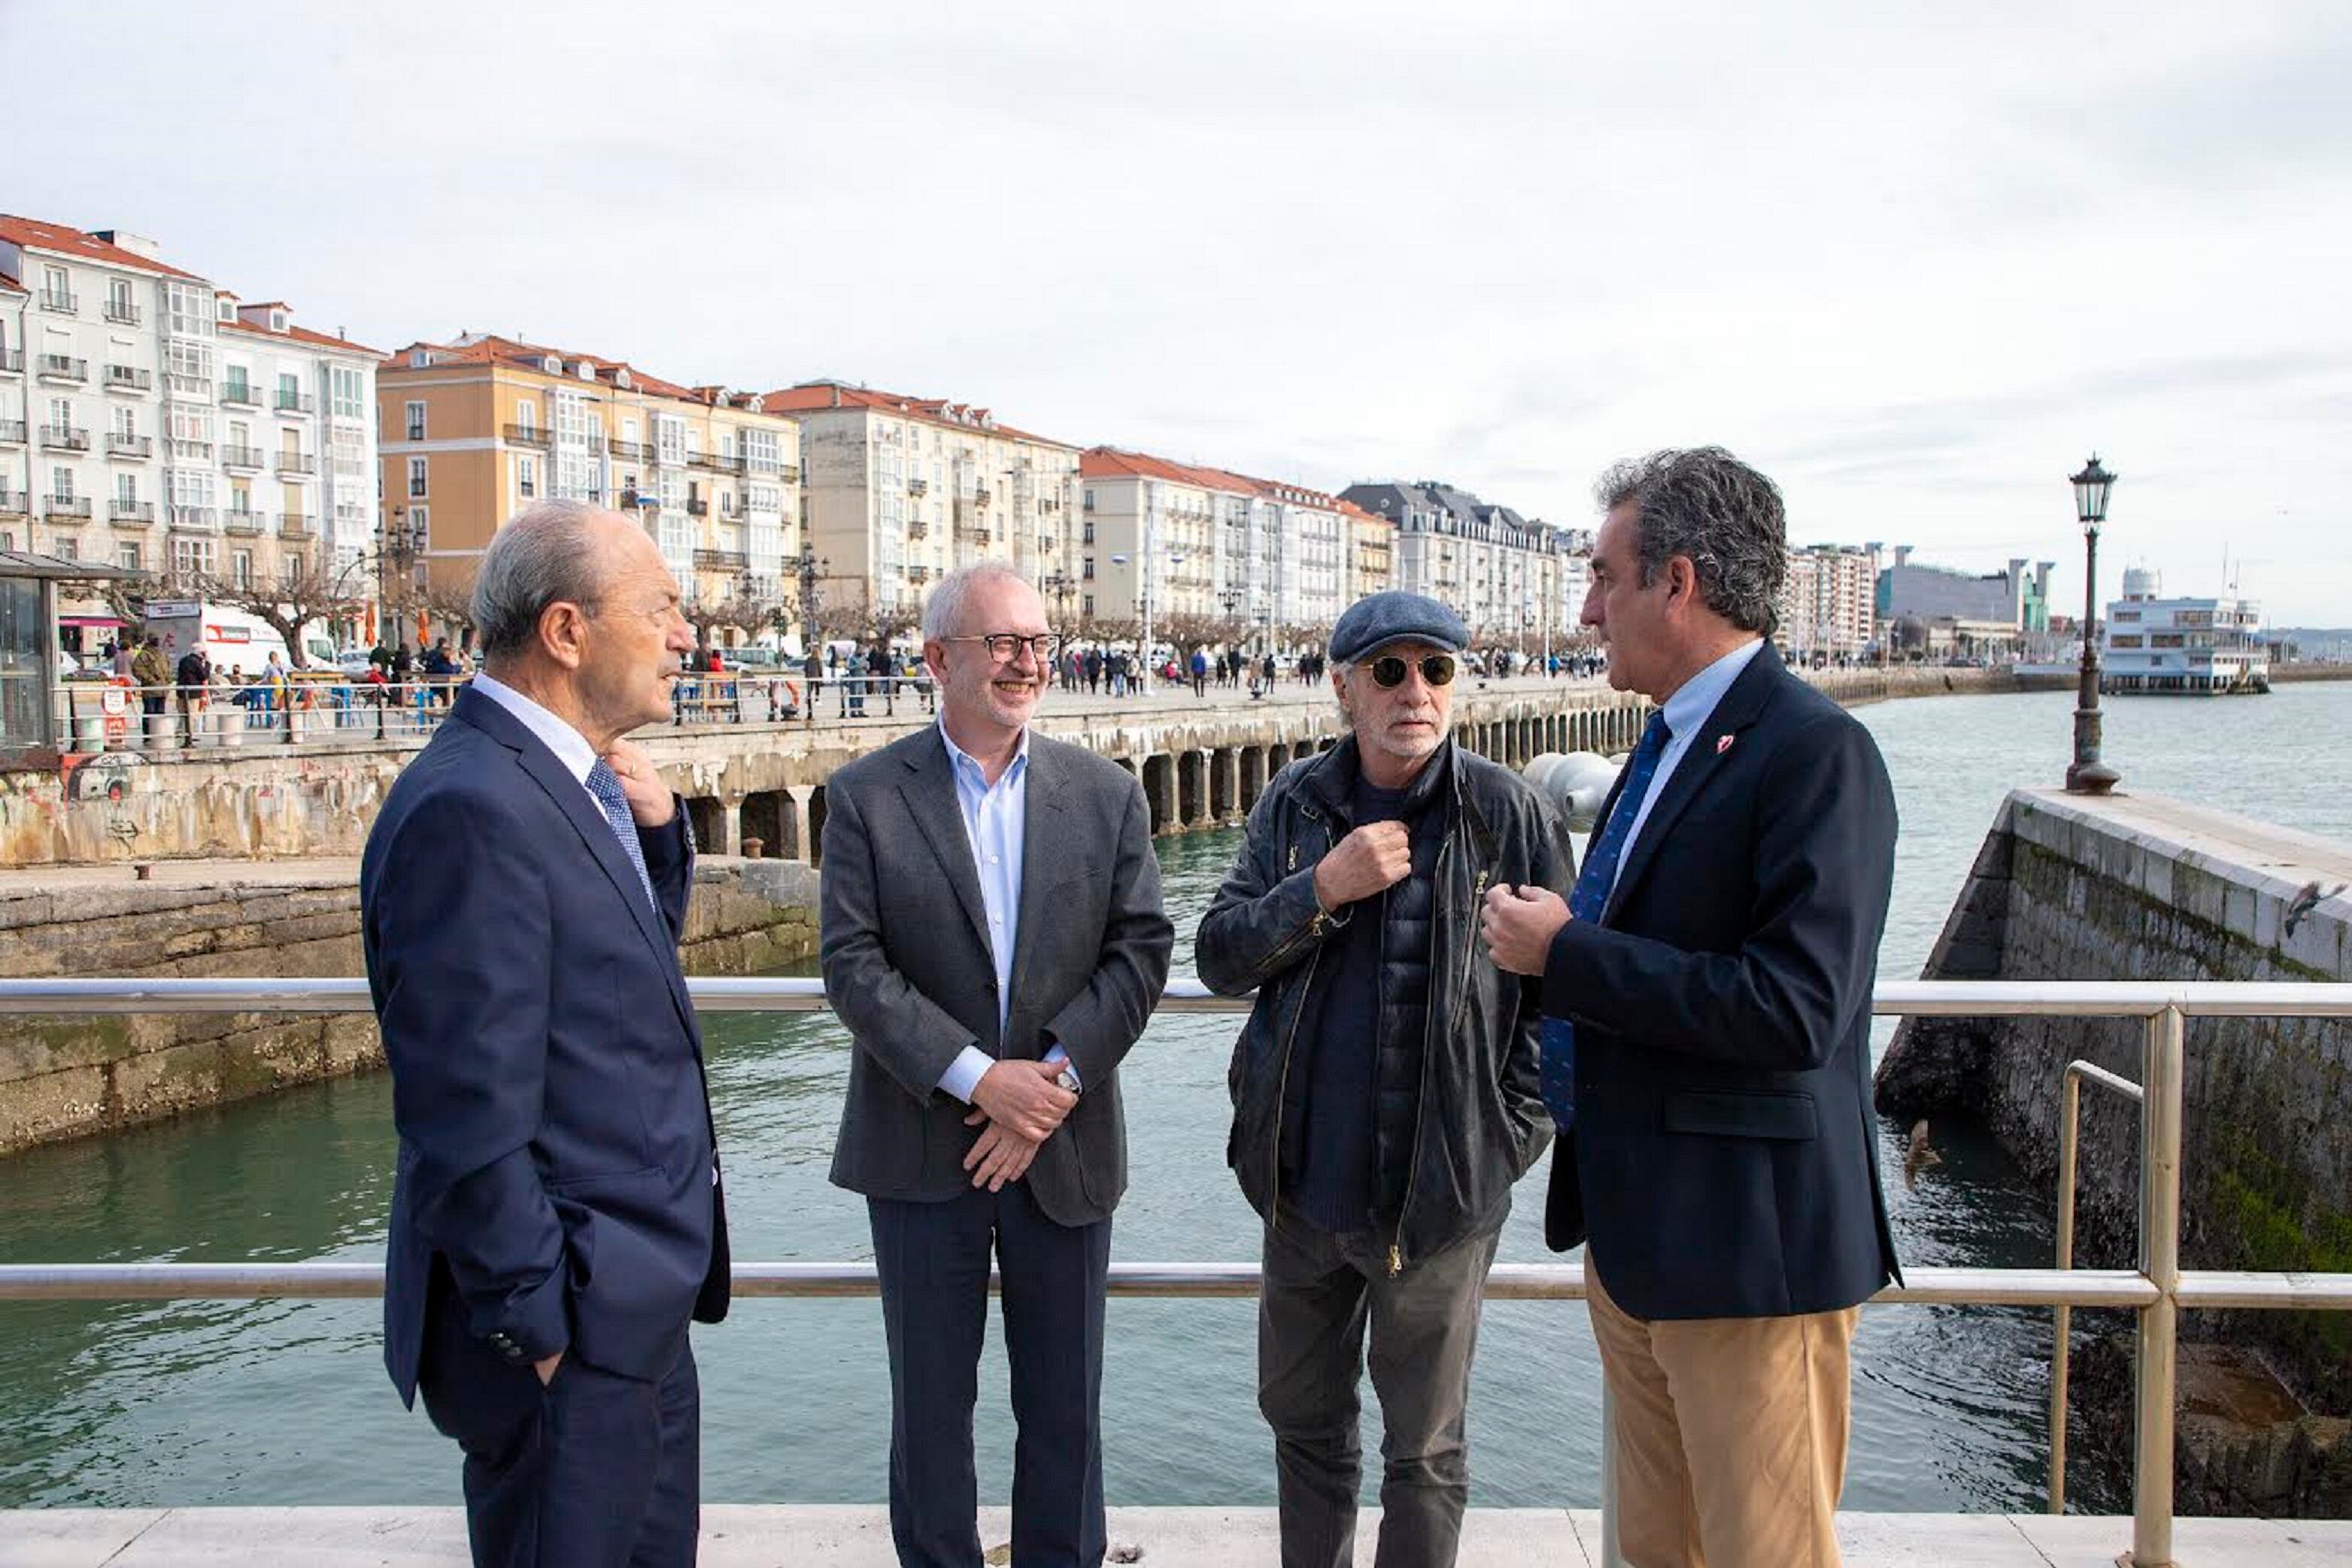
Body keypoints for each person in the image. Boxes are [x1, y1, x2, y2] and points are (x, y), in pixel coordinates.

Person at [1479, 447, 1900, 1568]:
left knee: (1761, 1552)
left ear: (1676, 581)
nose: (1585, 609)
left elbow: (1794, 1008)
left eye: (1602, 577)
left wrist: (1564, 954)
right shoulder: (1663, 743)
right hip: (1638, 1234)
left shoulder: (1816, 753)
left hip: (1745, 1252)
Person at [362, 499, 730, 1568]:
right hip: (568, 1324)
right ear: (566, 632)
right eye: (660, 607)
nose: (683, 635)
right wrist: (539, 1328)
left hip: (628, 1307)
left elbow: (602, 994)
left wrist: (659, 849)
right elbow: (461, 1109)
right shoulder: (472, 807)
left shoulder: (564, 785)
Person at [1197, 591, 1573, 1568]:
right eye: (1389, 670)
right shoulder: (1293, 805)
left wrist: (1499, 1139)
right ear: (1342, 686)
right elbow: (1219, 957)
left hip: (1438, 1198)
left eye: (1436, 669)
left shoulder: (1508, 815)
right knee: (1301, 1422)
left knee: (1427, 1448)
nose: (1416, 691)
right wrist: (1322, 887)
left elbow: (1561, 1006)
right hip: (1299, 1190)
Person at [820, 561, 1173, 1568]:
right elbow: (852, 964)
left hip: (1061, 1147)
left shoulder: (1104, 795)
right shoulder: (864, 797)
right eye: (1002, 642)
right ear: (936, 659)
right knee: (928, 1415)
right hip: (920, 1149)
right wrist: (982, 1079)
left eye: (1036, 642)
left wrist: (1048, 1084)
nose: (1026, 662)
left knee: (1064, 1411)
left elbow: (1141, 950)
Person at [132, 635, 170, 742]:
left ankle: (159, 734)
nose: (157, 641)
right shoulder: (144, 654)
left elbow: (167, 667)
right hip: (150, 690)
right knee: (150, 712)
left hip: (162, 690)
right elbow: (137, 669)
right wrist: (150, 679)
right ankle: (148, 736)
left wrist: (168, 679)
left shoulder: (161, 654)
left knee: (160, 714)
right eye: (155, 639)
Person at [173, 644, 211, 747]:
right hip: (193, 693)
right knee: (192, 716)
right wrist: (207, 663)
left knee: (183, 715)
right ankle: (188, 738)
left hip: (181, 691)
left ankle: (181, 734)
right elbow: (204, 676)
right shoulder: (196, 662)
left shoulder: (183, 660)